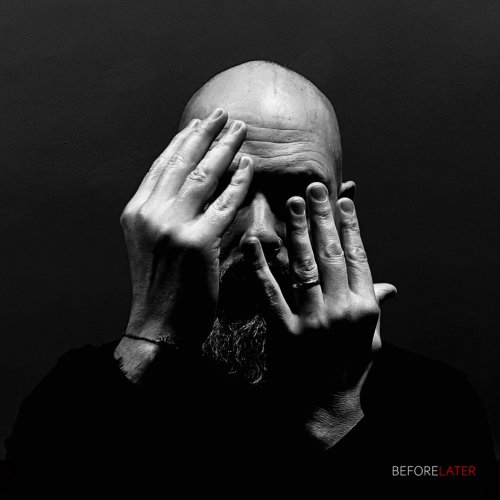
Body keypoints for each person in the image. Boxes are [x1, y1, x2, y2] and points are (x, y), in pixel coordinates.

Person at [2, 61, 495, 497]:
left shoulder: (435, 404)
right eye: (226, 192)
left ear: (340, 211)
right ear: (169, 203)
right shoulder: (78, 397)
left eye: (296, 196)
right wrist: (148, 336)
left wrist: (335, 414)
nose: (260, 232)